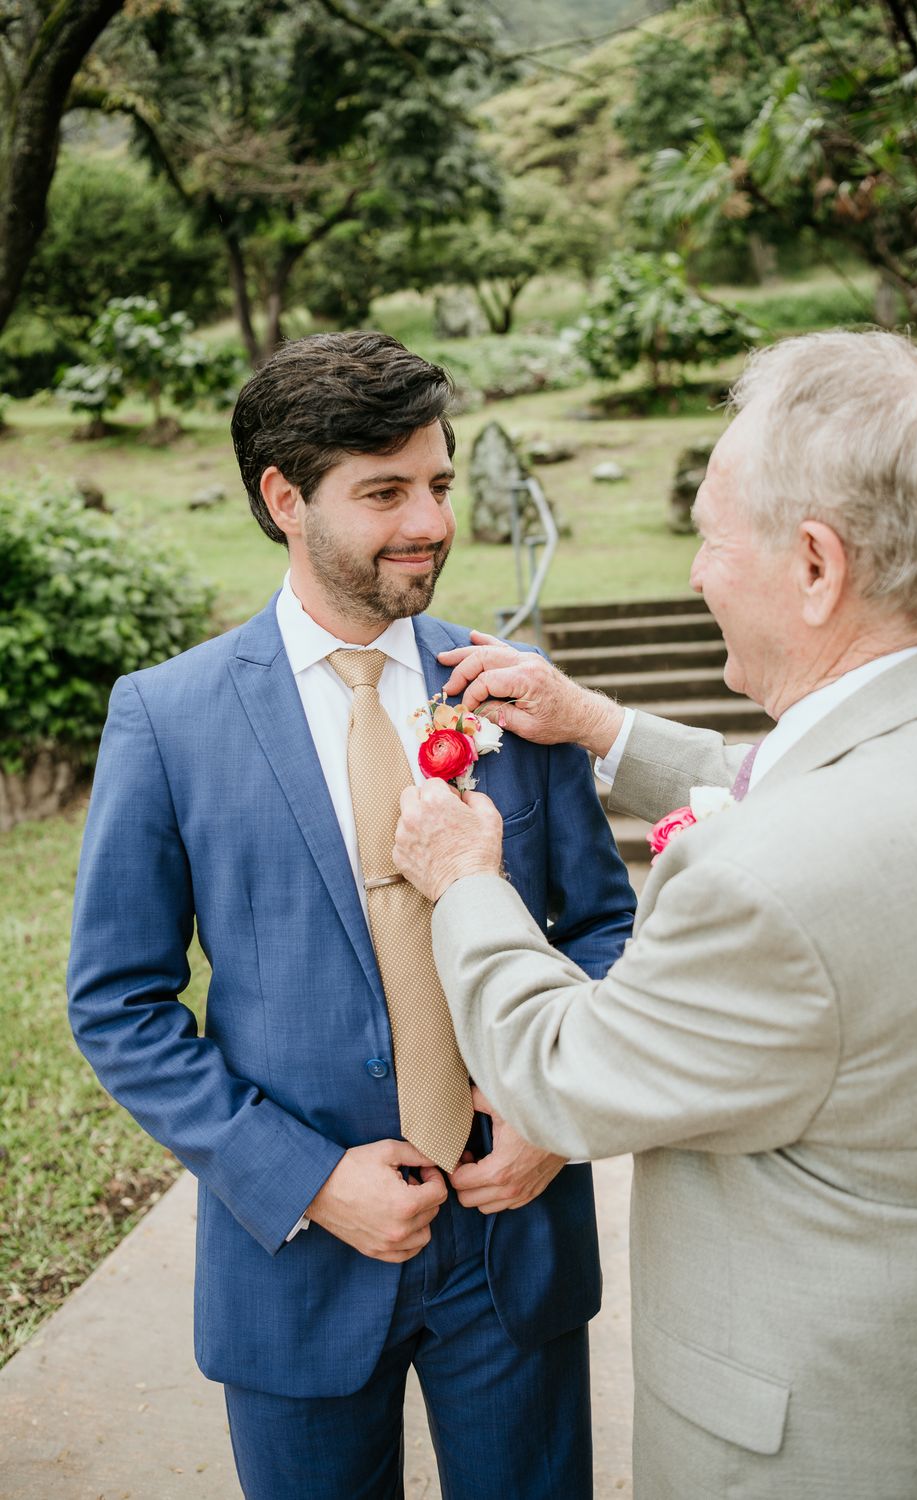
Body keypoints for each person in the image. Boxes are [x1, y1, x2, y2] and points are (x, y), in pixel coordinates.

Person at [392, 329, 917, 1499]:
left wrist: (468, 877)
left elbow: (561, 1074)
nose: (693, 574)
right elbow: (837, 783)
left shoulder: (763, 883)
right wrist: (602, 728)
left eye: (713, 537)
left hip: (820, 1441)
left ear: (816, 566)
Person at [67, 331, 635, 1500]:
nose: (428, 519)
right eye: (383, 493)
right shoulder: (166, 720)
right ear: (286, 499)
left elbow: (604, 930)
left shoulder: (508, 692)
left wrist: (553, 1113)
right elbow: (116, 1005)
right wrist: (308, 1181)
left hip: (514, 1239)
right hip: (297, 1259)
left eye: (436, 481)